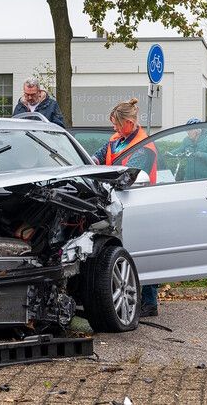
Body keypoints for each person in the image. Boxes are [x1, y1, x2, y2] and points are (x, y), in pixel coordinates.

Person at [91, 98, 159, 317]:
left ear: (129, 122)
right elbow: (99, 157)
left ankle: (149, 302)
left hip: (139, 202)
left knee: (142, 248)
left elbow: (130, 176)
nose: (114, 128)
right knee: (126, 248)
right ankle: (133, 297)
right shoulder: (115, 140)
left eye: (117, 124)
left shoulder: (144, 146)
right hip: (118, 202)